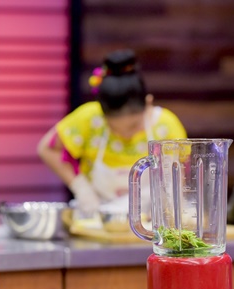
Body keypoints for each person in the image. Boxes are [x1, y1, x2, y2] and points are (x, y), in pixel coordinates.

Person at [37, 49, 187, 217]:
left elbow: (180, 170)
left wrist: (170, 206)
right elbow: (47, 149)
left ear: (148, 103)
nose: (125, 134)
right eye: (113, 127)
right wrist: (80, 187)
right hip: (96, 216)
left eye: (133, 125)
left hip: (150, 219)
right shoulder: (90, 118)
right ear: (102, 112)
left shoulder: (166, 125)